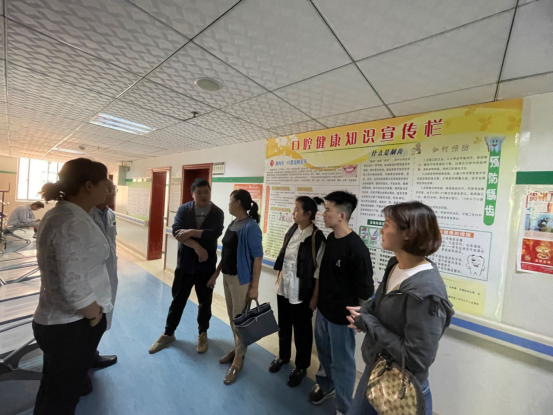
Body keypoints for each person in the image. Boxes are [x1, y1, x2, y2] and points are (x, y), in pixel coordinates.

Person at [348, 202, 454, 415]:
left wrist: (369, 323)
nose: (381, 231)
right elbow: (381, 300)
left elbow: (415, 359)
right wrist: (364, 311)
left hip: (402, 386)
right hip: (376, 368)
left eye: (387, 225)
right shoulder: (395, 264)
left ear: (408, 233)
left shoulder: (426, 293)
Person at [32, 158, 112, 415]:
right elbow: (72, 283)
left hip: (64, 322)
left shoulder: (64, 214)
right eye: (104, 183)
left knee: (56, 390)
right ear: (89, 185)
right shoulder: (72, 222)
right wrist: (94, 313)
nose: (108, 189)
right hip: (70, 327)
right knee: (59, 401)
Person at [308, 191, 374, 415]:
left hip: (342, 319)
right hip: (324, 312)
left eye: (328, 210)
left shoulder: (356, 248)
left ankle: (345, 408)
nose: (323, 214)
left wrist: (358, 319)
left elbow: (365, 291)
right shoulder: (330, 240)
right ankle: (326, 387)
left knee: (343, 364)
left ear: (342, 215)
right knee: (324, 356)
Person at [149, 178, 224, 355]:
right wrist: (197, 246)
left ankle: (202, 334)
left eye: (206, 191)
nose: (203, 195)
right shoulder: (184, 209)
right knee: (177, 301)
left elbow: (215, 233)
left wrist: (190, 232)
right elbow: (177, 232)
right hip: (185, 266)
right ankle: (168, 334)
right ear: (192, 194)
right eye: (199, 192)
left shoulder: (217, 212)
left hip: (206, 268)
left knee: (205, 304)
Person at [269, 196, 326, 388]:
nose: (293, 213)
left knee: (302, 331)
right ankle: (283, 356)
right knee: (284, 324)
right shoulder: (292, 230)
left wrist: (315, 297)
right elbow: (284, 256)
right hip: (284, 288)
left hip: (302, 292)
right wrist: (279, 277)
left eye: (296, 210)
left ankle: (301, 367)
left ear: (308, 214)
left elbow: (318, 272)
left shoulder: (317, 238)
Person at [208, 189, 263, 385]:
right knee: (233, 319)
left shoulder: (251, 227)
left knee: (240, 322)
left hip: (242, 281)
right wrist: (216, 273)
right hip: (227, 277)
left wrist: (254, 287)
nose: (228, 203)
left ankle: (238, 360)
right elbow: (227, 253)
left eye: (230, 200)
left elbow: (258, 258)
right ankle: (238, 349)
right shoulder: (233, 224)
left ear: (238, 202)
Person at [89, 179, 118, 369]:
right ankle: (84, 360)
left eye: (115, 190)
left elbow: (111, 242)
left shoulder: (110, 214)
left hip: (110, 272)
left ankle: (92, 354)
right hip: (92, 276)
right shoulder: (85, 214)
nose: (114, 193)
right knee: (89, 320)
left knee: (103, 317)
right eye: (111, 190)